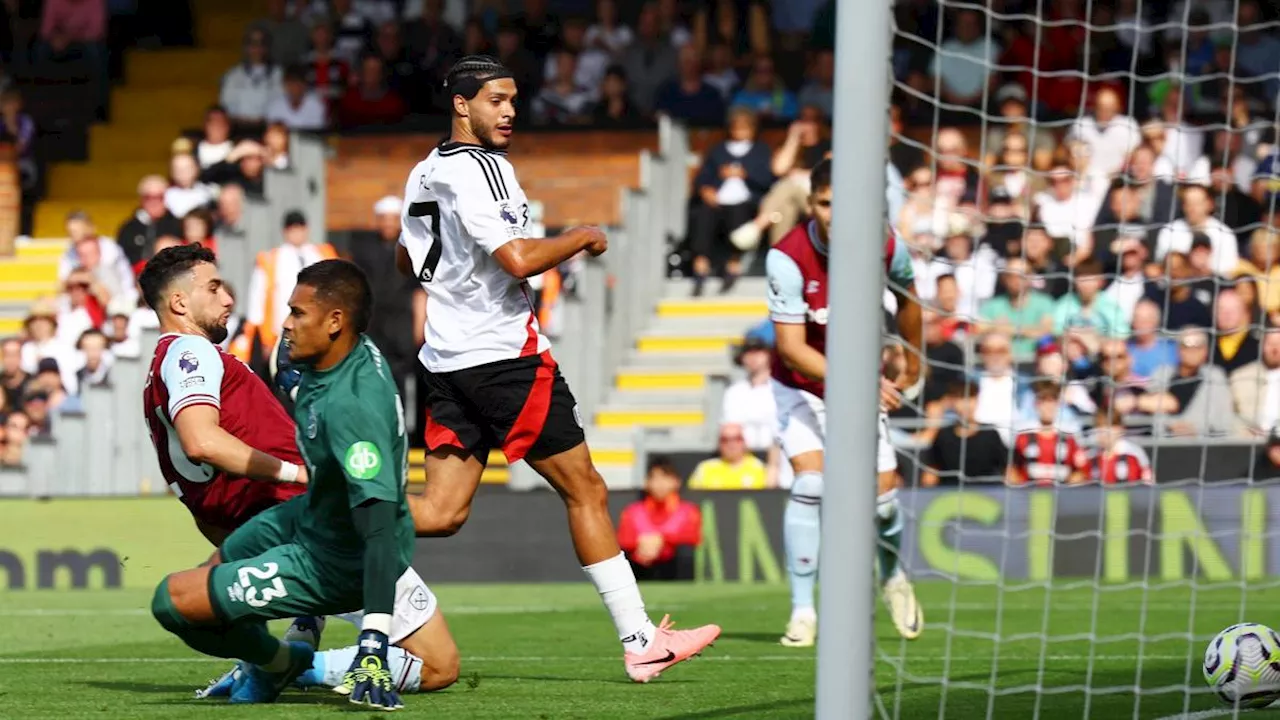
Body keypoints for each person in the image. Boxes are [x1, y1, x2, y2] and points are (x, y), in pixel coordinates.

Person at [393, 55, 719, 683]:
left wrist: (460, 277)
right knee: (587, 489)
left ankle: (327, 527)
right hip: (504, 360)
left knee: (441, 512)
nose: (509, 111)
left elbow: (408, 264)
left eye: (514, 99)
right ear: (462, 105)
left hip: (446, 360)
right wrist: (581, 236)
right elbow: (517, 259)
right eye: (495, 100)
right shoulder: (482, 169)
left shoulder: (423, 171)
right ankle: (640, 639)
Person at [148, 255, 458, 708]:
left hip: (333, 537)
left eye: (296, 313)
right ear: (178, 301)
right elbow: (207, 440)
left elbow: (373, 519)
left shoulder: (348, 401)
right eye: (214, 288)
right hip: (302, 514)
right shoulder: (324, 357)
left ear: (334, 321)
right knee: (195, 595)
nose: (229, 298)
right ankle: (285, 656)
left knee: (438, 662)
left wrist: (372, 639)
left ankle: (290, 663)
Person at [766, 157, 924, 647]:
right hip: (800, 385)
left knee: (881, 504)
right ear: (811, 204)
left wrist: (913, 357)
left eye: (843, 203)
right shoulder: (787, 257)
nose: (835, 213)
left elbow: (911, 299)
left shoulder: (887, 244)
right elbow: (792, 348)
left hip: (860, 383)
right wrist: (857, 381)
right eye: (825, 203)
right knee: (811, 483)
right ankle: (802, 612)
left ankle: (893, 576)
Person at [617, 456, 701, 581]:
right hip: (641, 563)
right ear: (647, 483)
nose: (660, 483)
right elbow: (623, 539)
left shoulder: (688, 510)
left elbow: (693, 537)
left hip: (672, 565)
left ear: (676, 482)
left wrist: (661, 541)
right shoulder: (633, 510)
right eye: (655, 478)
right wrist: (640, 544)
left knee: (686, 552)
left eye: (666, 478)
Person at [1007, 381, 1088, 486]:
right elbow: (1011, 470)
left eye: (1052, 401)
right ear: (1036, 404)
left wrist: (1070, 485)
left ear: (1058, 404)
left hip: (1061, 497)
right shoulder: (1023, 436)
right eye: (1043, 402)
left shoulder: (1069, 437)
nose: (1048, 407)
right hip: (1028, 496)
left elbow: (1081, 471)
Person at [687, 422, 768, 490]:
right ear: (719, 443)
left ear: (745, 441)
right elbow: (693, 499)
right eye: (725, 440)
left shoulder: (759, 468)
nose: (731, 444)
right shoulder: (705, 468)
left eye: (737, 438)